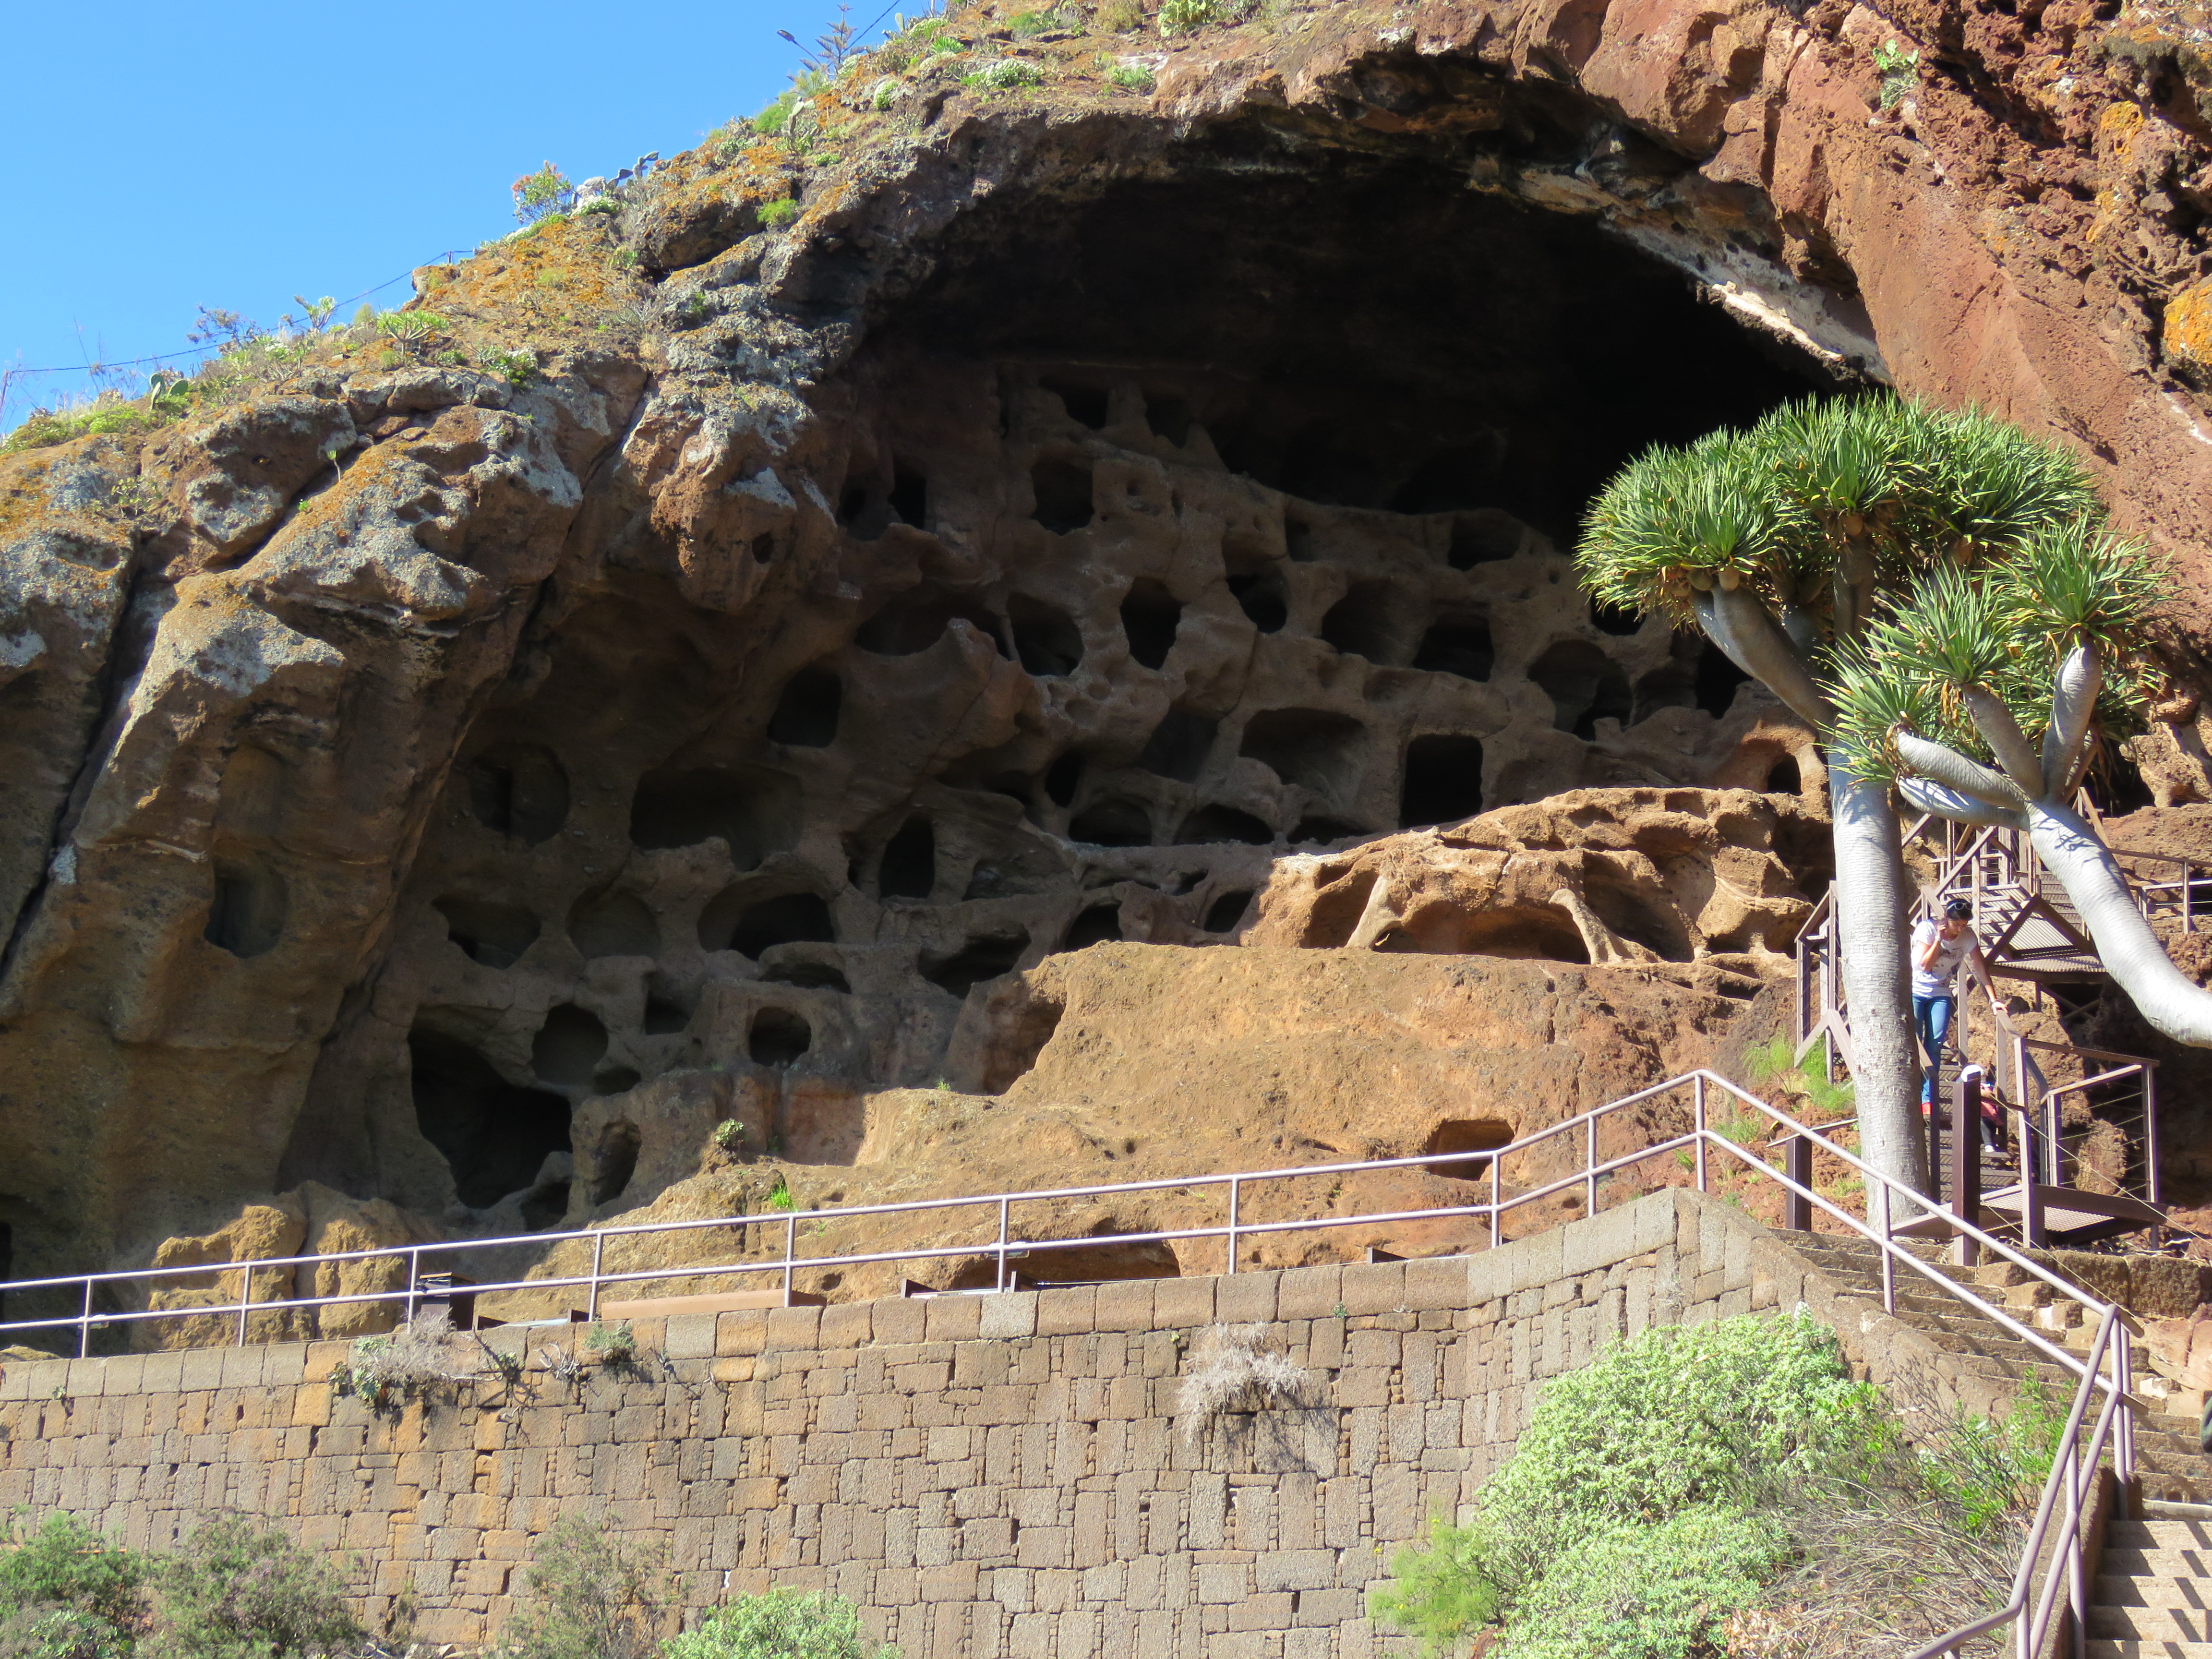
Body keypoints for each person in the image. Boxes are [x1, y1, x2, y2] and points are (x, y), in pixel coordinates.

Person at [1912, 898, 1986, 1109]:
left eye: (1964, 925)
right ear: (1946, 919)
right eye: (1956, 924)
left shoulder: (1967, 936)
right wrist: (1939, 939)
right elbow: (1926, 966)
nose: (1960, 929)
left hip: (1942, 993)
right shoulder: (1926, 929)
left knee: (1935, 1044)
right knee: (1916, 1042)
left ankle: (1928, 1098)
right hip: (1917, 990)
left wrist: (1993, 999)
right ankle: (1914, 1092)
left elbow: (1980, 967)